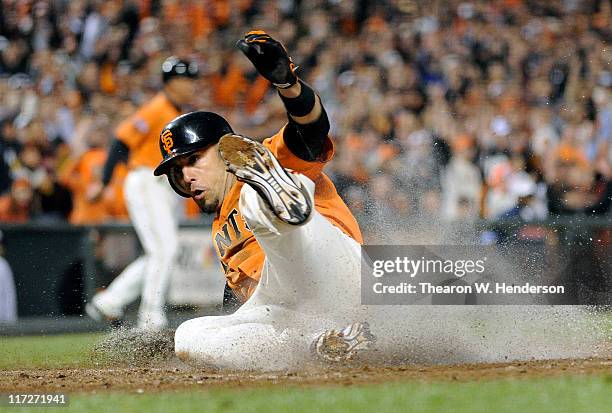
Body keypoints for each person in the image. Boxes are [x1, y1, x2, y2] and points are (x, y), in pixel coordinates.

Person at [153, 31, 374, 370]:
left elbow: (311, 131)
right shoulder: (219, 231)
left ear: (227, 148)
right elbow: (242, 304)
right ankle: (323, 342)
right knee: (188, 335)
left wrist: (289, 86)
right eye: (177, 172)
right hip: (292, 309)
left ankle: (279, 196)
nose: (185, 177)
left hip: (337, 270)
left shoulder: (265, 156)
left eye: (193, 160)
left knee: (256, 204)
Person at [85, 57, 198, 330]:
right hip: (147, 180)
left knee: (157, 253)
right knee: (166, 249)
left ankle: (110, 301)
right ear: (172, 83)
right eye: (186, 80)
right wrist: (104, 181)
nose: (192, 86)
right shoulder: (158, 108)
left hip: (160, 185)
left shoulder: (173, 110)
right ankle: (151, 316)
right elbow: (121, 140)